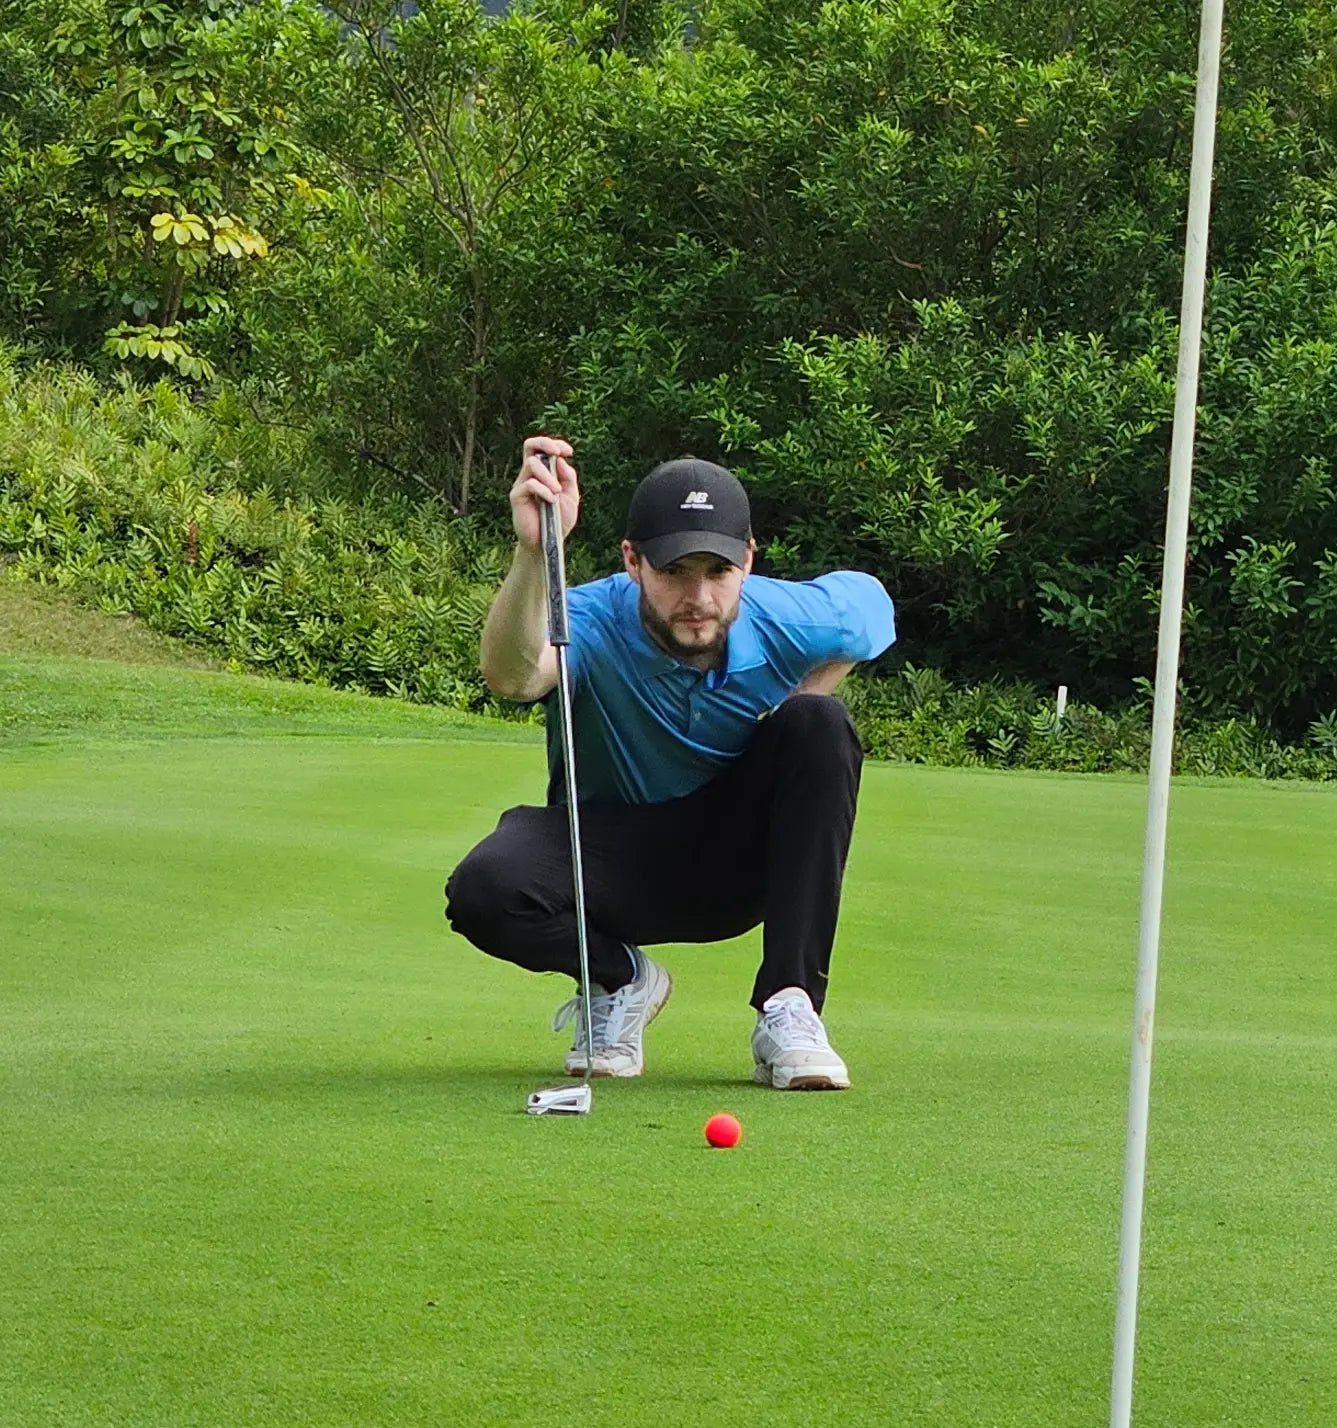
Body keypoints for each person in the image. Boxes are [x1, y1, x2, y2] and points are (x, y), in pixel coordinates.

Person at [444, 435, 896, 1089]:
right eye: (674, 572)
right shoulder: (593, 617)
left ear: (747, 559)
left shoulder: (785, 617)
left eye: (717, 572)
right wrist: (534, 553)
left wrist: (798, 699)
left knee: (816, 725)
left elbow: (871, 611)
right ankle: (622, 980)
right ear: (632, 562)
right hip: (609, 870)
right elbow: (512, 678)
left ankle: (790, 1006)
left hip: (734, 868)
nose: (699, 597)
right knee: (482, 890)